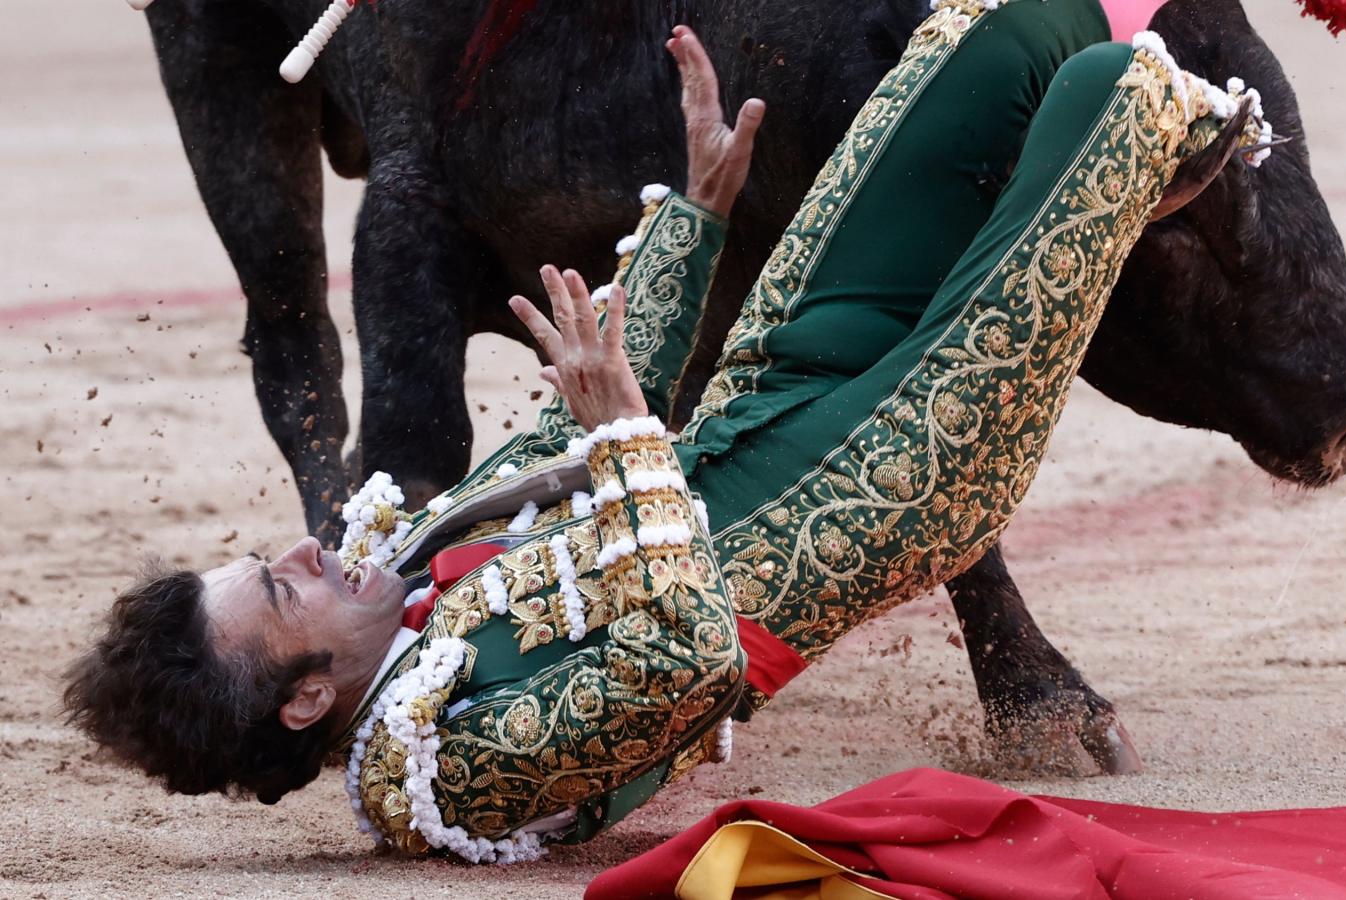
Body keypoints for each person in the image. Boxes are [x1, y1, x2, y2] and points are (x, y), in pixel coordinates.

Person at [65, 0, 1266, 863]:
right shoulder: (448, 773)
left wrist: (696, 215)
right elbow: (686, 667)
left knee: (1000, 31)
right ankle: (1100, 211)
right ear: (303, 703)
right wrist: (635, 439)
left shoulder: (414, 568)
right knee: (1110, 90)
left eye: (264, 562)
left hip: (773, 389)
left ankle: (1073, 211)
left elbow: (568, 411)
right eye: (278, 594)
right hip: (897, 473)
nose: (302, 552)